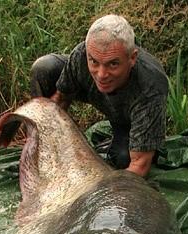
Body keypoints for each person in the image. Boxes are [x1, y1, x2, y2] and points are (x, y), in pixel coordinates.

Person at [30, 14, 168, 178]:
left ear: (132, 58)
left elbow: (139, 165)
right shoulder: (81, 55)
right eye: (94, 61)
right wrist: (39, 134)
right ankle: (42, 148)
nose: (101, 74)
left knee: (123, 158)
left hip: (128, 118)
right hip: (95, 93)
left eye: (113, 63)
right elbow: (60, 100)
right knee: (44, 68)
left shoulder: (150, 86)